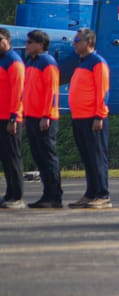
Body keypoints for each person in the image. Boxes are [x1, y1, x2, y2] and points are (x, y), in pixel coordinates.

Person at [68, 28, 111, 209]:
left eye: (77, 39)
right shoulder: (82, 62)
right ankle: (91, 192)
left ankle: (102, 194)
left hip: (92, 117)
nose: (74, 43)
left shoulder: (97, 62)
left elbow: (103, 91)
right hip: (79, 116)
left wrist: (99, 115)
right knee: (87, 157)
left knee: (96, 156)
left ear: (89, 42)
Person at [23, 30, 62, 209]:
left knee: (47, 157)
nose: (27, 45)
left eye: (30, 42)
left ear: (40, 44)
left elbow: (51, 92)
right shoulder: (31, 61)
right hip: (31, 116)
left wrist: (46, 115)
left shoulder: (47, 62)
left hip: (44, 117)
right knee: (39, 156)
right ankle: (47, 193)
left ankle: (54, 195)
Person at [0, 28, 26, 209]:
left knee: (12, 156)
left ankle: (16, 195)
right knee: (5, 157)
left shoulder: (13, 61)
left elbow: (18, 92)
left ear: (8, 40)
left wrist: (14, 117)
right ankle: (9, 193)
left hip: (10, 117)